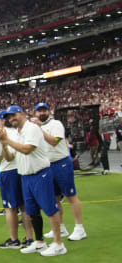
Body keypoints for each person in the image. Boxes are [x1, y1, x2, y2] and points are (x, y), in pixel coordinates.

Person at [0, 105, 66, 256]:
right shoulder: (18, 133)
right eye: (9, 117)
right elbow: (10, 157)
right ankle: (40, 242)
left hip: (40, 173)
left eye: (14, 115)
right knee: (32, 211)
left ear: (22, 114)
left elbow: (27, 149)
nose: (11, 119)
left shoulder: (32, 129)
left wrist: (7, 140)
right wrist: (4, 145)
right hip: (26, 175)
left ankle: (58, 243)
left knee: (49, 208)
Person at [32, 103, 87, 241]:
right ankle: (61, 228)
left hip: (61, 163)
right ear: (35, 114)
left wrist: (39, 128)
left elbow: (54, 142)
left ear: (49, 112)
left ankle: (80, 228)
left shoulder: (56, 124)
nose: (41, 113)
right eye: (39, 111)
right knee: (55, 199)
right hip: (48, 165)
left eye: (44, 110)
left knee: (70, 195)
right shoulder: (36, 128)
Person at [0, 110, 33, 249]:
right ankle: (29, 238)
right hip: (21, 170)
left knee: (10, 208)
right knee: (24, 207)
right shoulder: (17, 132)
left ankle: (14, 239)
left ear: (2, 121)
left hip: (8, 173)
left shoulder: (1, 136)